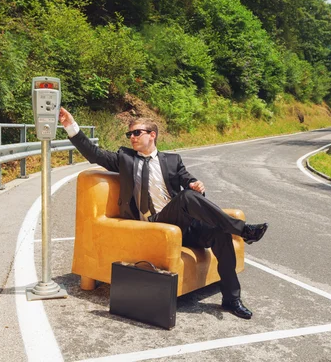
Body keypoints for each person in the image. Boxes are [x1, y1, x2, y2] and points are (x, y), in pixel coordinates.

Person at [59, 107, 268, 319]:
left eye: (137, 133)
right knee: (186, 197)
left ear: (152, 135)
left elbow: (190, 182)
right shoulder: (125, 158)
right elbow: (93, 154)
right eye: (129, 134)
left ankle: (231, 299)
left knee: (219, 233)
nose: (132, 137)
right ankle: (242, 230)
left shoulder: (172, 160)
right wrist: (70, 125)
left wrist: (197, 185)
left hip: (183, 225)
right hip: (155, 224)